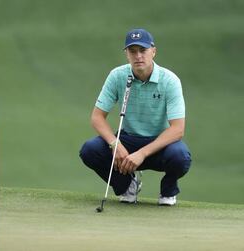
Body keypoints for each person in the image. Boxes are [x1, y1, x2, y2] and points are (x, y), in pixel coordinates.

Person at [79, 28, 191, 206]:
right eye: (133, 51)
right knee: (90, 150)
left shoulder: (170, 81)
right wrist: (115, 144)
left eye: (143, 50)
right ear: (126, 54)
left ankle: (168, 191)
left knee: (180, 156)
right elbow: (97, 117)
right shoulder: (117, 76)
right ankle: (127, 186)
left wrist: (142, 153)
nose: (138, 56)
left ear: (153, 51)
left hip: (159, 144)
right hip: (128, 140)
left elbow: (178, 129)